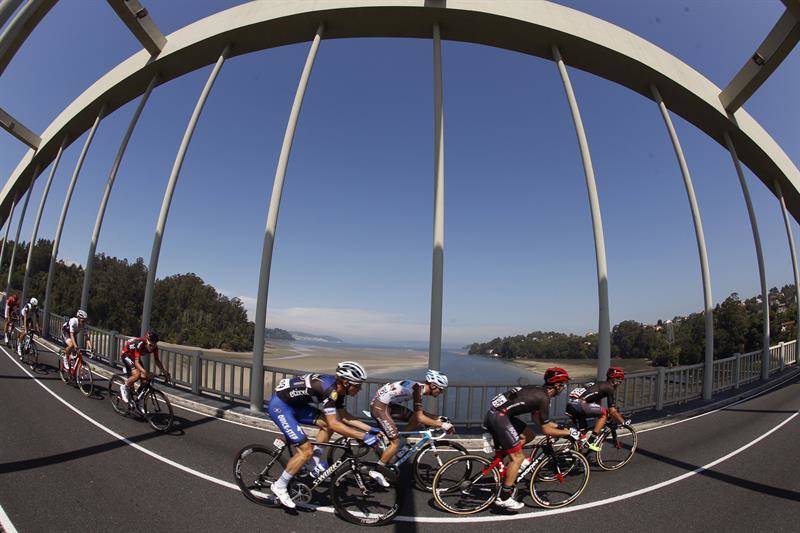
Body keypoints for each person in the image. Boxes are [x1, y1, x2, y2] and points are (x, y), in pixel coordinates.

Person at [267, 361, 384, 509]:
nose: (360, 389)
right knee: (306, 450)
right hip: (281, 407)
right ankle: (280, 486)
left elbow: (344, 416)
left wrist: (368, 429)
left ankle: (312, 462)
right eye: (358, 385)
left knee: (327, 425)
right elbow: (336, 423)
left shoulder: (338, 390)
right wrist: (363, 436)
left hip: (298, 406)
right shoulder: (330, 390)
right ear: (346, 383)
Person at [483, 367, 579, 511]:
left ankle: (506, 458)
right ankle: (504, 497)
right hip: (500, 418)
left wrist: (560, 428)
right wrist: (568, 433)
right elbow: (546, 430)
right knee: (518, 458)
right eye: (563, 384)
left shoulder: (538, 391)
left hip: (498, 415)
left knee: (529, 435)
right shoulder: (544, 398)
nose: (563, 388)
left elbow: (537, 419)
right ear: (557, 385)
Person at [370, 369, 453, 467]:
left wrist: (438, 417)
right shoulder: (417, 390)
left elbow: (419, 413)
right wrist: (442, 425)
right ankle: (379, 469)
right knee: (395, 442)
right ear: (433, 385)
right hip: (380, 407)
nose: (441, 392)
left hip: (388, 405)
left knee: (415, 420)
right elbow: (420, 417)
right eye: (441, 389)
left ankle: (398, 446)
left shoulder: (419, 388)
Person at [566, 366, 627, 452]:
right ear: (615, 380)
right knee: (604, 414)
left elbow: (597, 401)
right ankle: (591, 442)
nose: (620, 383)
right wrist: (622, 422)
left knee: (583, 431)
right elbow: (612, 411)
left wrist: (601, 411)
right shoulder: (610, 388)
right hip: (579, 404)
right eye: (620, 381)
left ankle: (575, 454)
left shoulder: (600, 384)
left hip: (571, 404)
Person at [119, 330, 170, 407]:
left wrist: (164, 372)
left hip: (135, 357)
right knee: (138, 374)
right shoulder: (140, 344)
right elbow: (136, 362)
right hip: (127, 354)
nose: (152, 347)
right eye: (150, 345)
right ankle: (124, 387)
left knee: (145, 379)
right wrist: (145, 372)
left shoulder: (154, 347)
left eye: (154, 345)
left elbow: (157, 360)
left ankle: (139, 400)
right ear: (146, 341)